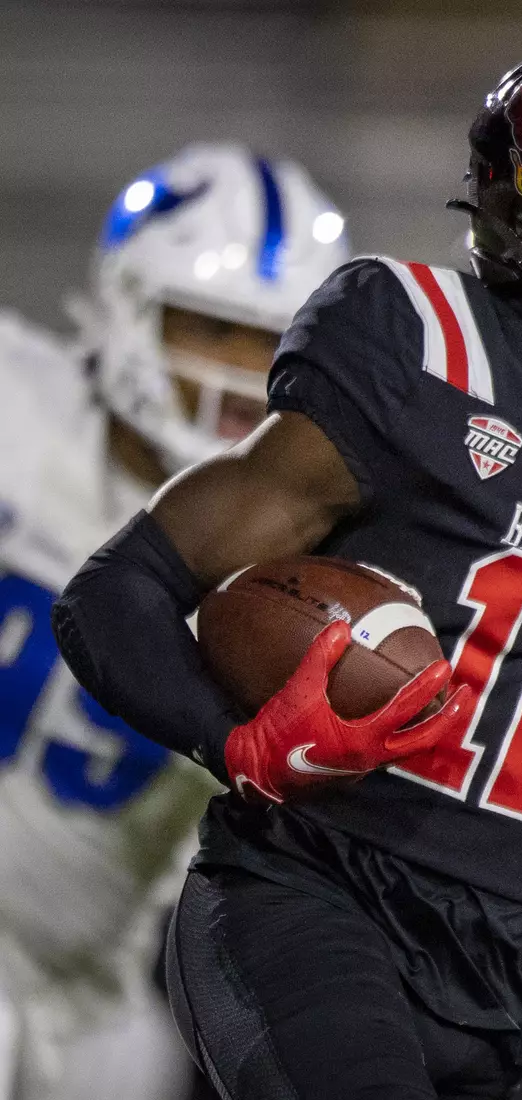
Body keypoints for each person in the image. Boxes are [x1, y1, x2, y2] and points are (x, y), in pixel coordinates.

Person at [53, 29, 522, 1100]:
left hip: (511, 981)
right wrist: (234, 739)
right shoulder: (422, 357)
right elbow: (117, 591)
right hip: (309, 903)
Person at [0, 143, 349, 1099]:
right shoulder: (13, 405)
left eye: (266, 342)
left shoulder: (306, 581)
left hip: (87, 1004)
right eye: (211, 328)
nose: (237, 375)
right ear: (124, 301)